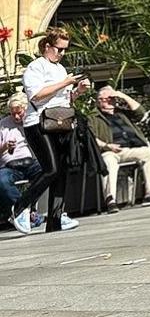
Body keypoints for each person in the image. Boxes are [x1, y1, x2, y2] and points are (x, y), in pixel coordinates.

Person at [22, 26, 98, 231]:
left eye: (65, 49)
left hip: (58, 122)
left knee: (61, 171)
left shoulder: (60, 69)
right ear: (47, 46)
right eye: (59, 49)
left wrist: (77, 91)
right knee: (51, 169)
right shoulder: (36, 67)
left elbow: (64, 101)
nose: (62, 53)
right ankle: (20, 207)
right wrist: (64, 83)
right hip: (38, 123)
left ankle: (55, 219)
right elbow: (36, 95)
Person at [88, 85, 150, 209]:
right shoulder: (93, 117)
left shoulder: (122, 113)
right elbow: (91, 138)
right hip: (109, 151)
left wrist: (122, 95)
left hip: (130, 149)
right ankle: (110, 200)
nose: (109, 101)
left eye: (112, 98)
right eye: (105, 99)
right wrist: (107, 146)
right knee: (108, 161)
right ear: (98, 101)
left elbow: (141, 113)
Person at [1, 90, 52, 233]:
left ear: (26, 108)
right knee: (2, 181)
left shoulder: (33, 121)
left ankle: (29, 211)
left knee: (49, 172)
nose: (16, 116)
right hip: (10, 165)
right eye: (13, 113)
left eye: (19, 112)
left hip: (32, 162)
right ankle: (26, 212)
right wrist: (5, 147)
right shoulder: (3, 125)